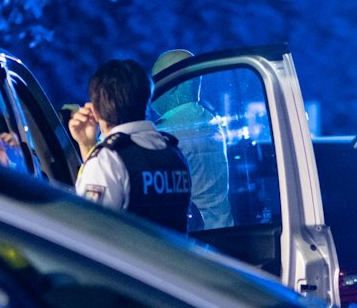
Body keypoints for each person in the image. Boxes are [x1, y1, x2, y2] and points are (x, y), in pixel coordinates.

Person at [67, 58, 194, 232]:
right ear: (146, 101)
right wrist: (87, 144)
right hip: (171, 259)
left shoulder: (108, 161)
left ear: (95, 112)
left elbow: (88, 232)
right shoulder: (174, 154)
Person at [149, 48, 234, 232]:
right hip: (224, 231)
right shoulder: (209, 121)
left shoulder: (169, 132)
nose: (152, 89)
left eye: (155, 80)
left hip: (194, 240)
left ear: (172, 86)